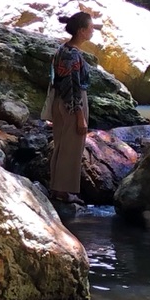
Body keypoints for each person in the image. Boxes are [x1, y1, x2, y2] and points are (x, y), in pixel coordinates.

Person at [45, 11, 97, 206]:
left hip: (60, 101)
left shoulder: (62, 49)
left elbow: (56, 80)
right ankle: (65, 192)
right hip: (72, 104)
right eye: (91, 28)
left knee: (61, 145)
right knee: (72, 148)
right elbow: (73, 86)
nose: (93, 31)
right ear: (82, 31)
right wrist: (80, 116)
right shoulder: (73, 54)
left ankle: (56, 188)